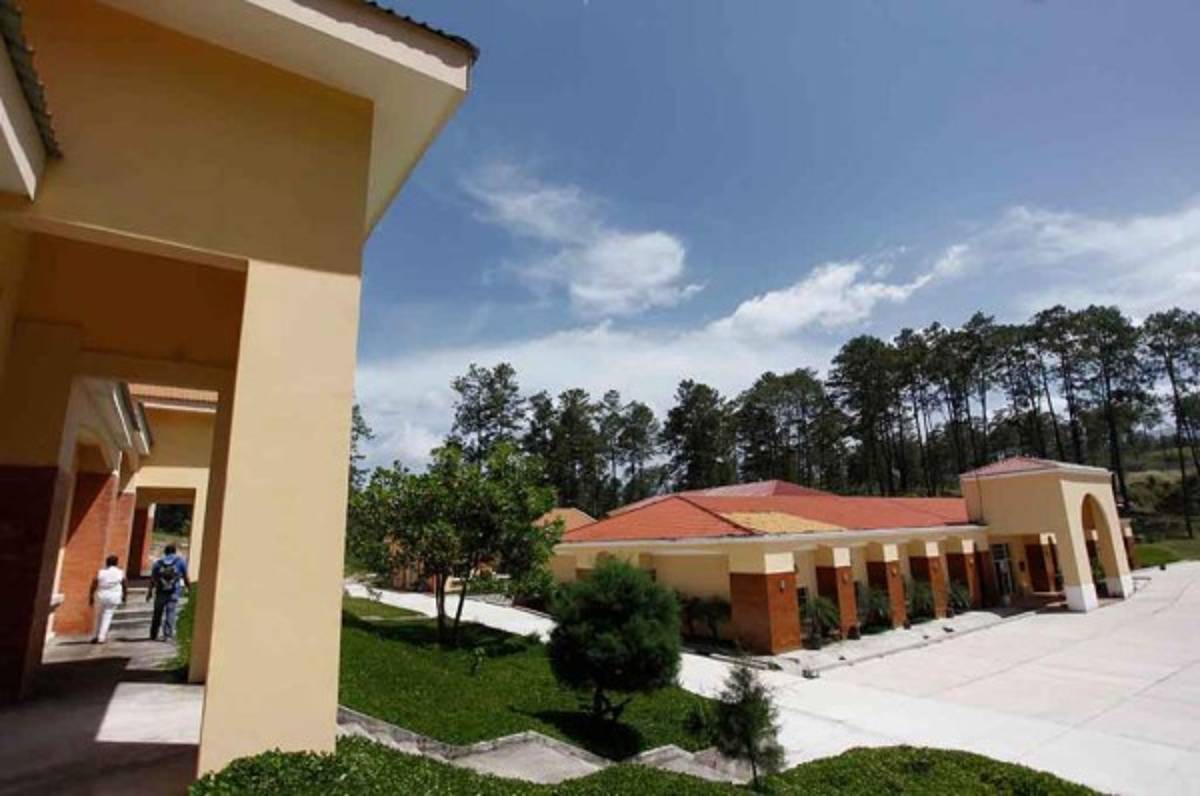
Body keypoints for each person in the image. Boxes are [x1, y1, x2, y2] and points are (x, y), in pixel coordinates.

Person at [147, 544, 189, 641]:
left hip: (160, 591)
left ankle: (153, 634)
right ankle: (168, 635)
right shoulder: (180, 561)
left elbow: (153, 579)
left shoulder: (158, 563)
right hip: (174, 591)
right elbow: (185, 577)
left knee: (157, 613)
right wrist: (188, 588)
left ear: (165, 552)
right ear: (175, 551)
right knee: (170, 613)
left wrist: (149, 592)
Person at [90, 555, 127, 643]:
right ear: (116, 563)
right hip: (113, 596)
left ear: (107, 563)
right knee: (107, 616)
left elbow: (94, 584)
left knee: (98, 617)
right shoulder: (120, 572)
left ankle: (95, 635)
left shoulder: (101, 572)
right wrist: (124, 596)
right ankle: (101, 637)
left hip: (101, 595)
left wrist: (91, 596)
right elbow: (124, 585)